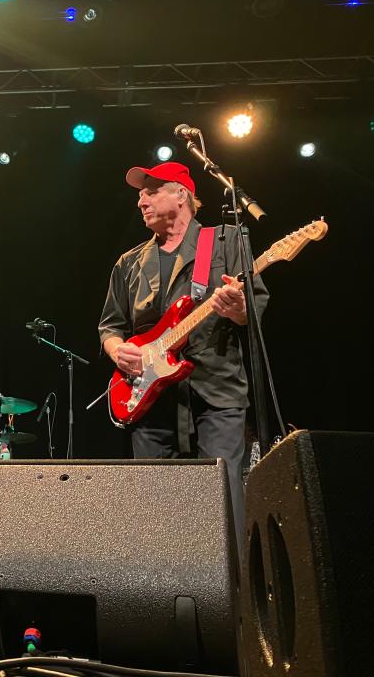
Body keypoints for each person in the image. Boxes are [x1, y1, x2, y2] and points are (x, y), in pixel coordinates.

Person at [97, 161, 268, 553]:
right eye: (140, 193)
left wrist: (236, 307)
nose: (141, 200)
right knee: (156, 510)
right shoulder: (129, 263)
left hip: (216, 392)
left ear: (181, 194)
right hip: (151, 400)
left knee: (223, 504)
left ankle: (233, 599)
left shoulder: (224, 241)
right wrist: (117, 351)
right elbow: (110, 325)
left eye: (150, 190)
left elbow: (252, 311)